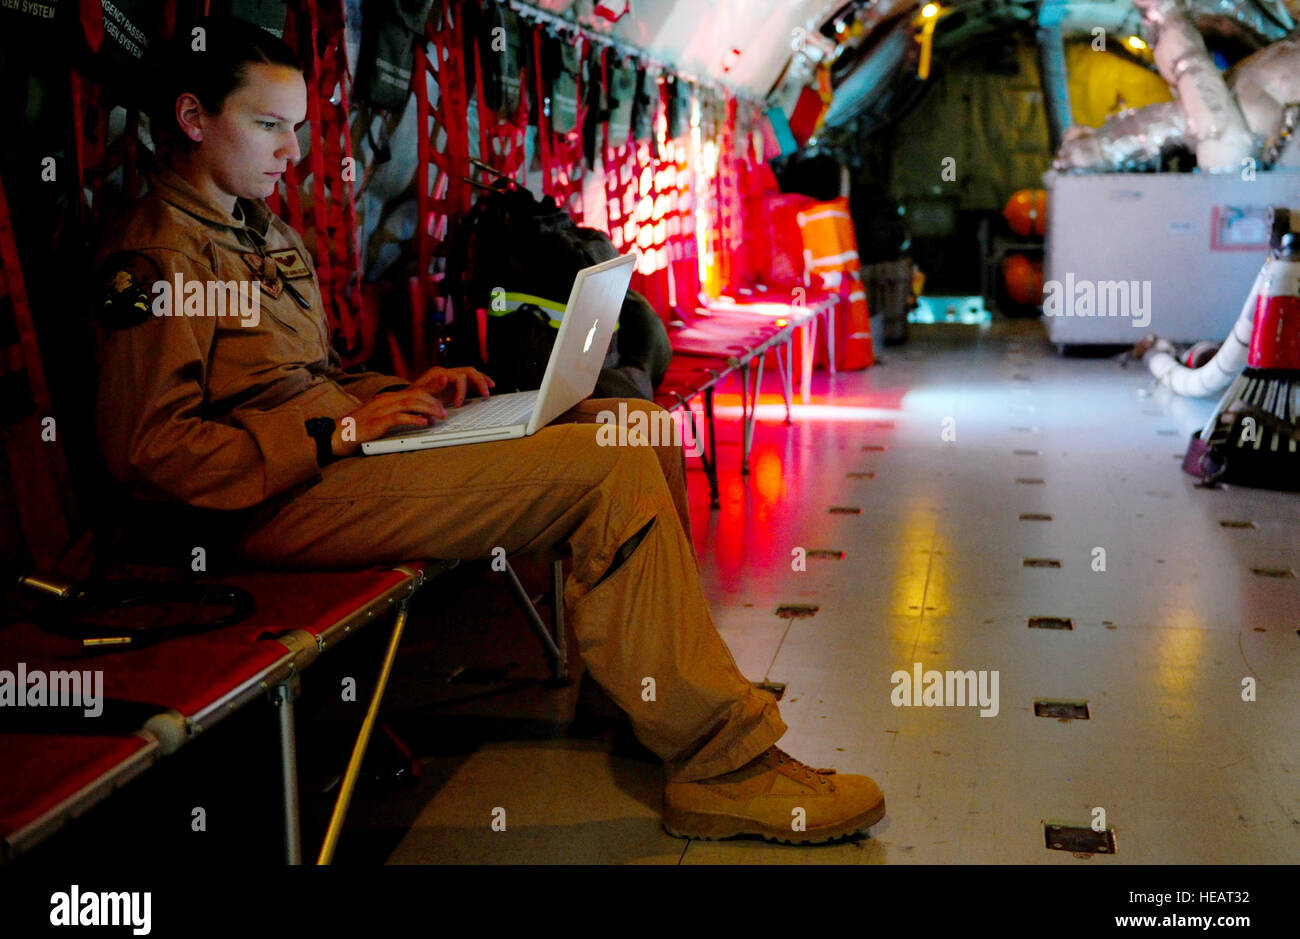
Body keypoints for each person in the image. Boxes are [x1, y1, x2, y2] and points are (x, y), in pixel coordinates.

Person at [92, 15, 886, 845]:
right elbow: (152, 457)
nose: (291, 152)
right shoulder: (155, 262)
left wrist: (403, 394)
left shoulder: (261, 233)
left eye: (296, 129)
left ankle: (638, 696)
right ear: (191, 118)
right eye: (268, 127)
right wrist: (339, 432)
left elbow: (299, 383)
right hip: (259, 508)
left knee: (634, 423)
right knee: (601, 469)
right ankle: (723, 764)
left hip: (328, 459)